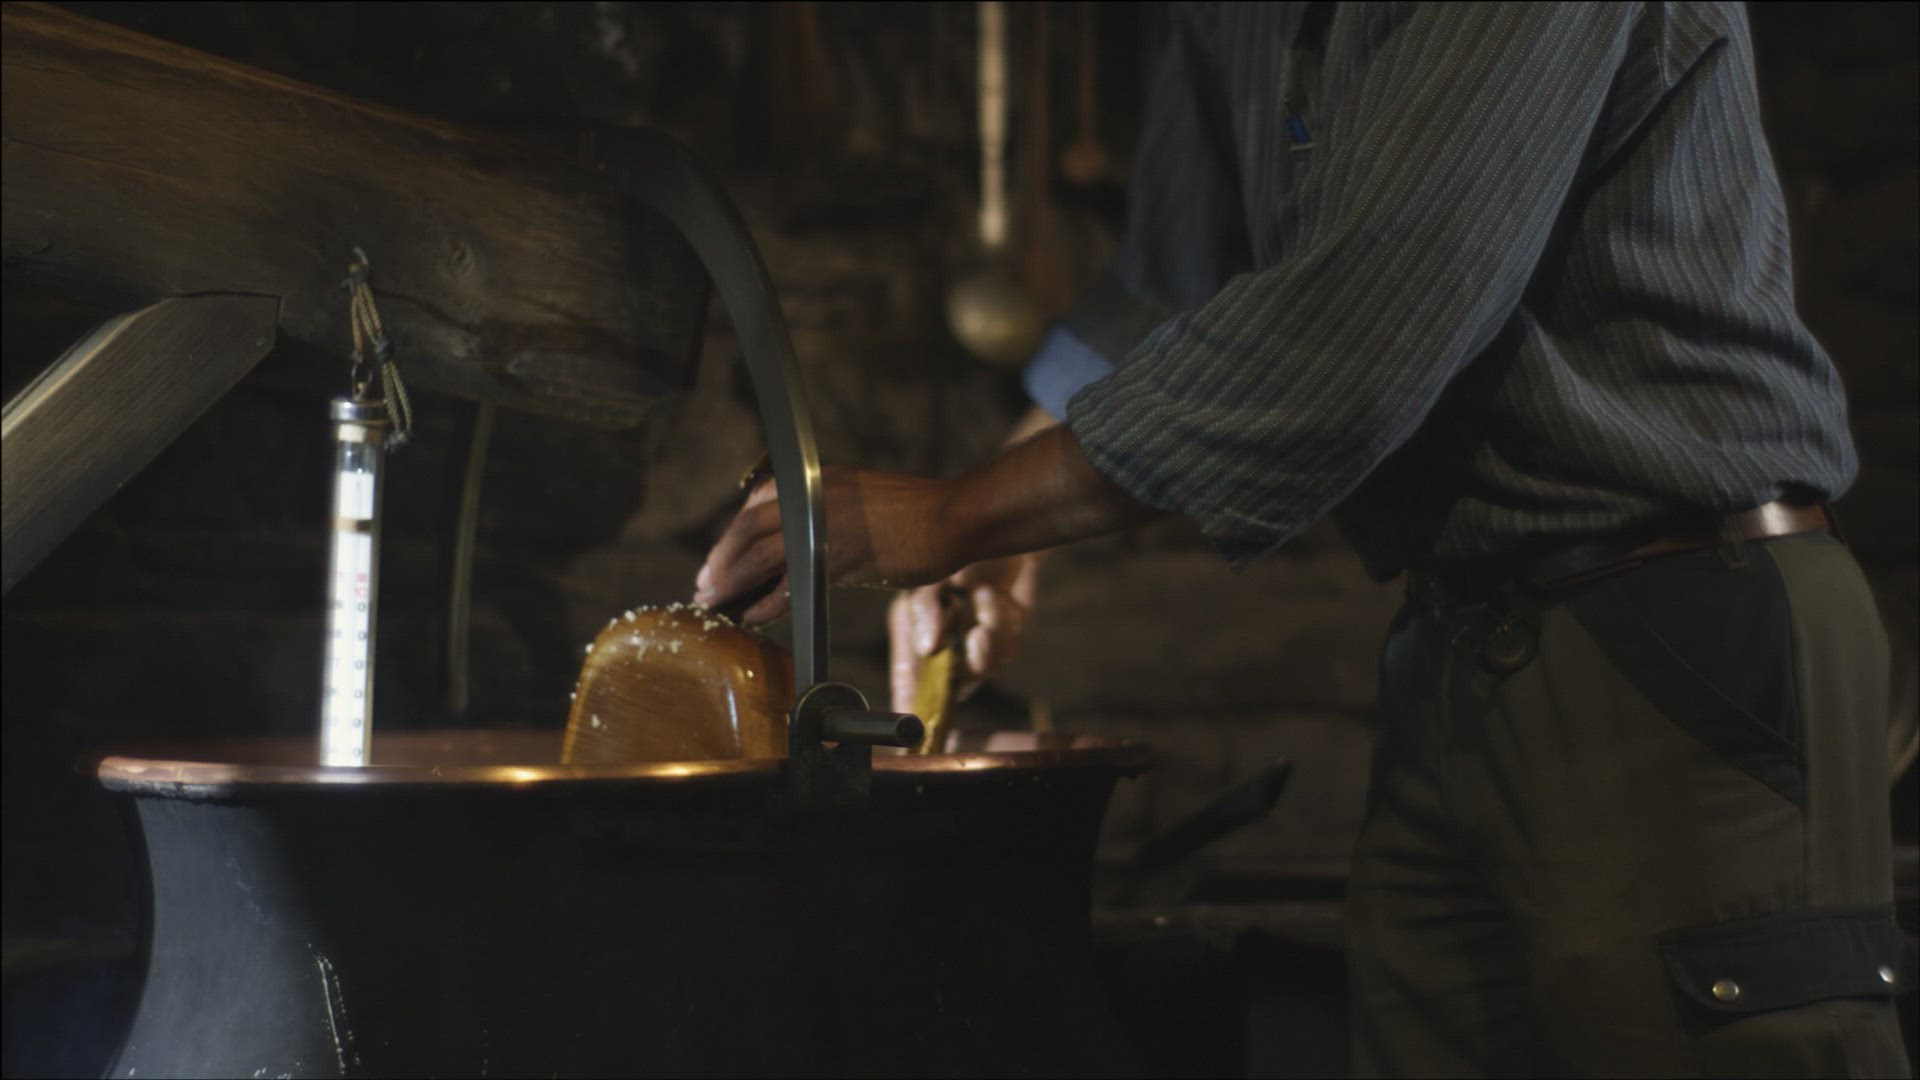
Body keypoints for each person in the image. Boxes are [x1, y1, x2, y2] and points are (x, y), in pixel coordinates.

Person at [694, 4, 1911, 1076]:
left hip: (1672, 622)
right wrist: (1006, 534)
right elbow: (1176, 280)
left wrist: (955, 513)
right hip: (1456, 644)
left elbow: (1368, 314)